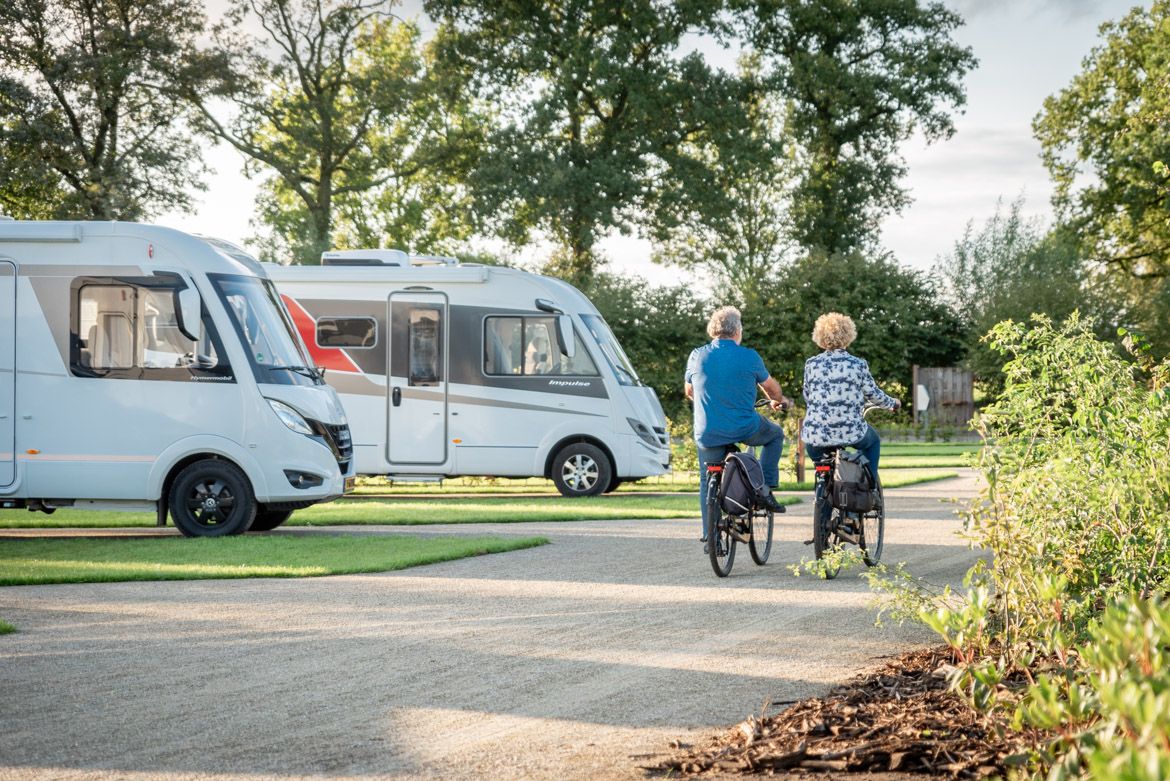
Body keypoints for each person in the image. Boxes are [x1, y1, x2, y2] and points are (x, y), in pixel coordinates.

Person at [685, 306, 792, 543]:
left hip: (708, 431)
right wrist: (777, 401)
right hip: (745, 427)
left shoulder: (697, 355)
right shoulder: (749, 356)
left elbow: (690, 391)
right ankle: (764, 488)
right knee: (775, 435)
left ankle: (710, 535)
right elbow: (771, 388)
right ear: (737, 331)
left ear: (713, 330)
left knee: (706, 479)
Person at [802, 312, 900, 483]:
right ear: (848, 336)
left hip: (815, 435)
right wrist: (893, 403)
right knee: (873, 442)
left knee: (821, 467)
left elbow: (808, 396)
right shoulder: (857, 364)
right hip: (850, 431)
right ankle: (869, 485)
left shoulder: (811, 364)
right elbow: (873, 394)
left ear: (820, 337)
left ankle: (823, 485)